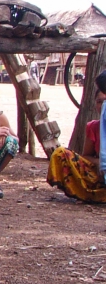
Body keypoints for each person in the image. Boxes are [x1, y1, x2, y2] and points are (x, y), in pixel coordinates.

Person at [47, 70, 106, 203]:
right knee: (61, 154)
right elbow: (87, 156)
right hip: (101, 173)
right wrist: (101, 165)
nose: (103, 106)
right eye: (100, 102)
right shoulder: (94, 127)